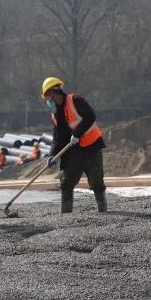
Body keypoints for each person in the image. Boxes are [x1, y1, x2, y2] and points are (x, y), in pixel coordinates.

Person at [41, 76, 107, 213]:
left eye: (48, 97)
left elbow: (90, 116)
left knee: (97, 182)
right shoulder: (55, 114)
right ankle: (66, 215)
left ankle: (103, 212)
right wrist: (52, 154)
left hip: (91, 147)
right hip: (73, 153)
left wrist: (77, 134)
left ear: (54, 94)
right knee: (66, 183)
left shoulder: (75, 100)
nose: (48, 101)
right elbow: (57, 137)